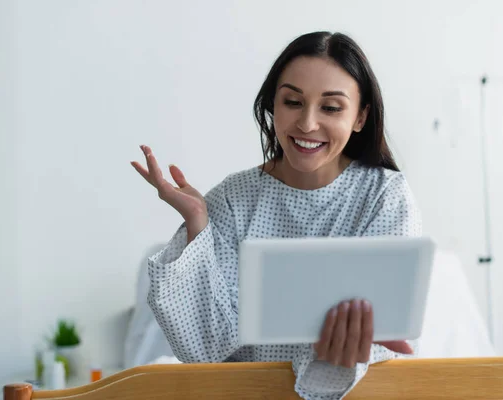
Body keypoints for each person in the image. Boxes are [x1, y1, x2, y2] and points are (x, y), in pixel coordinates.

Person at [131, 31, 421, 400]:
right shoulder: (234, 198)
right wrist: (198, 224)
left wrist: (336, 358)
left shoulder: (385, 194)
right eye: (293, 101)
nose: (307, 123)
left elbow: (388, 335)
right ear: (273, 104)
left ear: (361, 116)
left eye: (330, 107)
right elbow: (204, 348)